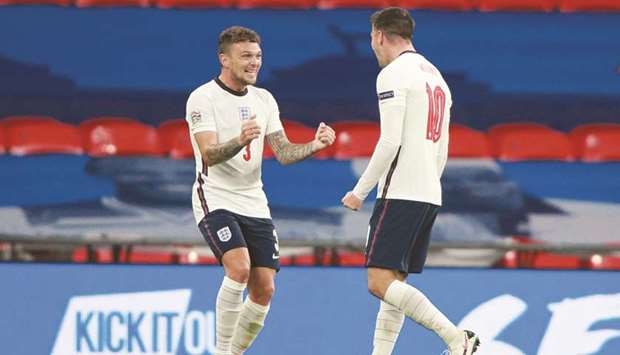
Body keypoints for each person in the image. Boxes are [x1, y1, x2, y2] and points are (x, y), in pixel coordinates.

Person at [186, 26, 335, 355]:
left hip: (254, 202)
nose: (254, 63)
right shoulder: (202, 98)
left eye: (257, 56)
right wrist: (239, 140)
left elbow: (282, 152)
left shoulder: (264, 99)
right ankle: (223, 351)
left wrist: (314, 145)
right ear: (224, 59)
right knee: (238, 268)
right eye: (245, 56)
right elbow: (208, 153)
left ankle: (235, 352)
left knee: (264, 289)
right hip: (216, 197)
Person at [341, 8, 480, 355]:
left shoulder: (393, 74)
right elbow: (443, 148)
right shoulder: (437, 77)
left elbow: (390, 141)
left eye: (372, 38)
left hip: (401, 189)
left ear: (378, 35)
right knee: (395, 281)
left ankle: (456, 337)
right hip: (428, 190)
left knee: (378, 282)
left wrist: (360, 192)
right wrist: (429, 184)